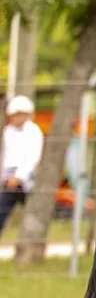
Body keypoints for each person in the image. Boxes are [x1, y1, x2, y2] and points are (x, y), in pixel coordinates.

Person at [1, 95, 44, 235]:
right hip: (8, 179)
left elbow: (32, 157)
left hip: (26, 180)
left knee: (34, 213)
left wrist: (19, 176)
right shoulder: (7, 132)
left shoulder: (33, 131)